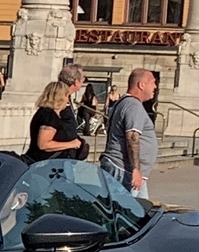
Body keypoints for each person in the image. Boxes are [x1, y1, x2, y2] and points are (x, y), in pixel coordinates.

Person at [99, 67, 160, 200]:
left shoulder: (125, 102)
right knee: (124, 212)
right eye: (152, 82)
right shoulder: (133, 105)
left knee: (141, 212)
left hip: (129, 171)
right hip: (124, 170)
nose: (155, 86)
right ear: (141, 84)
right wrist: (136, 169)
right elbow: (132, 137)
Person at [27, 80, 87, 161]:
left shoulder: (47, 113)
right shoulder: (48, 115)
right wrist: (72, 144)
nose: (67, 100)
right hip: (44, 165)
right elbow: (43, 144)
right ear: (60, 97)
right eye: (67, 96)